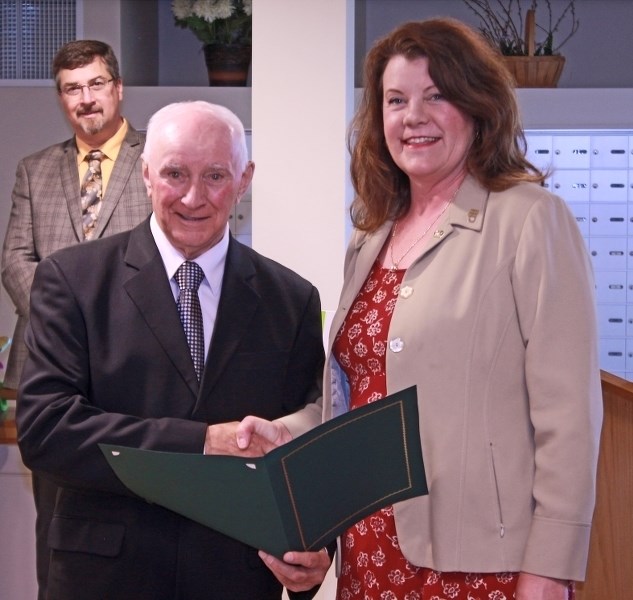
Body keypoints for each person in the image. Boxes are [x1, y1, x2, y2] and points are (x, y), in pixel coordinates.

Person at [238, 18, 603, 600]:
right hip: (369, 552)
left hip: (482, 565)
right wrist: (285, 431)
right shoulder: (371, 237)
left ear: (477, 105)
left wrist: (550, 569)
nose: (414, 116)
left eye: (437, 96)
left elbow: (569, 419)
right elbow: (364, 398)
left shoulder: (529, 219)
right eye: (396, 99)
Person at [16, 101, 330, 600]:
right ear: (144, 174)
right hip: (103, 581)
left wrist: (316, 551)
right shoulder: (72, 279)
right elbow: (46, 429)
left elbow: (306, 445)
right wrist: (202, 442)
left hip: (234, 578)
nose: (193, 196)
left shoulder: (290, 300)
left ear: (245, 179)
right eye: (175, 174)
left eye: (215, 176)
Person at [1, 39, 151, 599]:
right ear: (60, 97)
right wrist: (72, 322)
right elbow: (15, 261)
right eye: (71, 89)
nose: (85, 100)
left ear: (117, 88)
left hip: (132, 365)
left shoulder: (156, 159)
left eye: (94, 85)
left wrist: (104, 327)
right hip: (49, 369)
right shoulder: (34, 169)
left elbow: (166, 257)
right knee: (56, 525)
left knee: (134, 519)